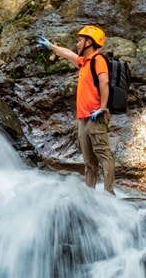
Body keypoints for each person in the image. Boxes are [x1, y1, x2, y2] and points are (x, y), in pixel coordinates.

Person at [38, 25, 115, 194]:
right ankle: (89, 195)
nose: (77, 43)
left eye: (80, 39)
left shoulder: (98, 60)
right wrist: (51, 46)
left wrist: (102, 108)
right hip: (83, 119)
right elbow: (69, 54)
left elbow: (104, 82)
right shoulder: (84, 63)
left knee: (103, 155)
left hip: (96, 117)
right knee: (89, 161)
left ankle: (109, 193)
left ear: (89, 42)